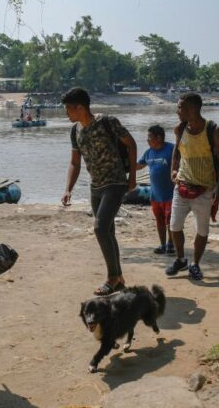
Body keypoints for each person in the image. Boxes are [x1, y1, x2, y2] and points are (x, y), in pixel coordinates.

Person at [61, 87, 137, 296]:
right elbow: (74, 163)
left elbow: (131, 144)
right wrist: (68, 189)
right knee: (108, 231)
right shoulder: (75, 131)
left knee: (100, 228)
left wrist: (132, 178)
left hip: (115, 183)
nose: (66, 113)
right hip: (96, 186)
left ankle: (112, 277)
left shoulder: (107, 122)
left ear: (80, 107)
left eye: (68, 109)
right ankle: (119, 278)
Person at [166, 92, 219, 280]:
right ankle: (180, 259)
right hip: (182, 185)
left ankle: (195, 264)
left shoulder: (213, 130)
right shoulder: (180, 129)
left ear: (192, 109)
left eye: (180, 107)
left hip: (205, 188)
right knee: (174, 226)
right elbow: (176, 153)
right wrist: (173, 170)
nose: (177, 111)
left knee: (202, 231)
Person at [136, 125, 175, 255]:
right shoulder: (148, 152)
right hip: (155, 195)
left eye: (149, 137)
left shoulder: (172, 149)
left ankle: (171, 244)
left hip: (171, 194)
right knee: (159, 221)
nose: (147, 140)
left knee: (171, 221)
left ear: (159, 137)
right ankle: (162, 245)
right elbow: (139, 166)